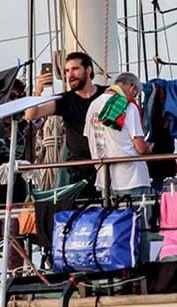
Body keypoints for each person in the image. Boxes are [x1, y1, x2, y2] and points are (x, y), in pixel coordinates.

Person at [25, 52, 107, 186]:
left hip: (108, 164)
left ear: (88, 70)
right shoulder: (65, 100)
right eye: (67, 70)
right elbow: (31, 115)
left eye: (75, 69)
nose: (70, 74)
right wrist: (38, 91)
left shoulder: (107, 94)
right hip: (80, 168)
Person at [82, 73, 152, 199]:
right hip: (132, 178)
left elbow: (89, 137)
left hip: (105, 179)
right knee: (136, 218)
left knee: (112, 218)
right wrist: (149, 149)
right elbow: (140, 148)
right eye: (135, 95)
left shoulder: (94, 105)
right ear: (132, 88)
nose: (134, 97)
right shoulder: (127, 105)